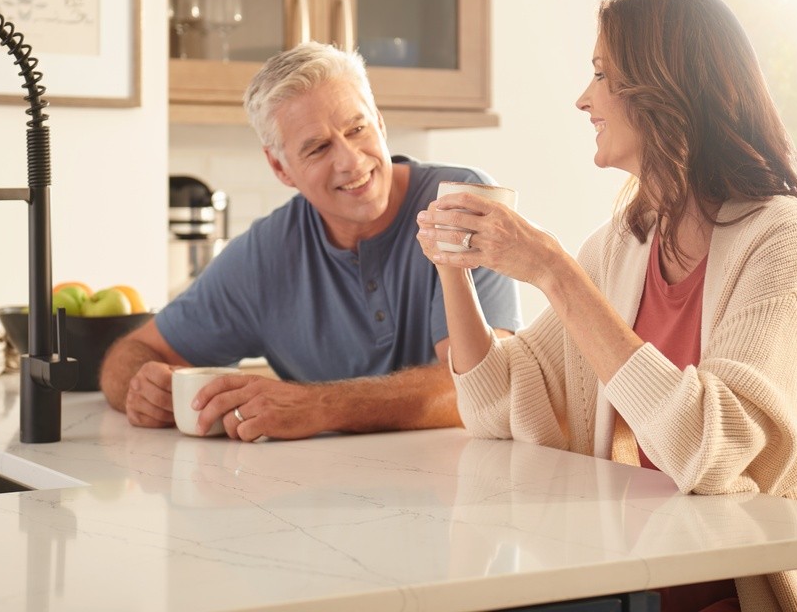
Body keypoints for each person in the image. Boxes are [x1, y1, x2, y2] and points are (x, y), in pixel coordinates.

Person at [415, 0, 797, 611]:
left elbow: (708, 452)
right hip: (636, 573)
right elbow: (496, 407)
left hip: (748, 591)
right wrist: (453, 267)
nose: (584, 99)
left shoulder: (781, 240)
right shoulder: (623, 245)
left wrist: (553, 270)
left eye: (602, 75)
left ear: (665, 89)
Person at [100, 41, 521, 442]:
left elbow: (481, 387)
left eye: (357, 129)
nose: (350, 161)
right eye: (318, 148)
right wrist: (142, 389)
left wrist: (320, 406)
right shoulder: (265, 255)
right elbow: (131, 354)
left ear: (380, 122)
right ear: (281, 168)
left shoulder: (461, 201)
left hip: (460, 491)